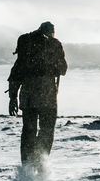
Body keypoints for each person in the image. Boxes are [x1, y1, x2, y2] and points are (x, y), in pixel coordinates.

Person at [7, 21, 68, 171]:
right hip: (47, 95)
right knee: (47, 130)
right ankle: (41, 163)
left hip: (27, 95)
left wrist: (12, 98)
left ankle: (27, 166)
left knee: (28, 130)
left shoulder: (26, 45)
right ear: (51, 31)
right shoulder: (54, 44)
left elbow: (16, 73)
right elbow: (63, 69)